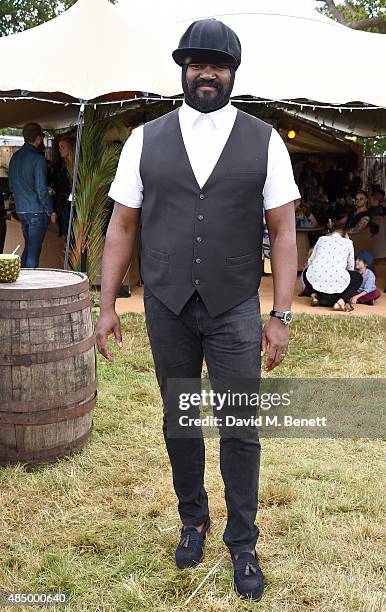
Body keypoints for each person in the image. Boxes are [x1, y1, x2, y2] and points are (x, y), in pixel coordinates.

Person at [95, 19, 300, 602]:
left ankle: (243, 541)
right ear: (182, 69)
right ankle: (193, 520)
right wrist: (106, 305)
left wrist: (280, 315)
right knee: (179, 419)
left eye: (218, 64)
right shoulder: (145, 139)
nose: (206, 72)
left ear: (233, 72)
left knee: (240, 427)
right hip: (167, 304)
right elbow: (122, 226)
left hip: (235, 305)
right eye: (196, 62)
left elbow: (283, 231)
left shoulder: (264, 140)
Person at [8, 123, 52, 268]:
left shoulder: (15, 157)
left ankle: (20, 282)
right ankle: (30, 288)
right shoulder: (38, 159)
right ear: (38, 138)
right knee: (33, 252)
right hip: (37, 211)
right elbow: (40, 189)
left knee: (28, 249)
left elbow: (12, 186)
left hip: (21, 210)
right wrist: (49, 209)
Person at [302, 224, 362, 310]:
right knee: (358, 277)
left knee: (306, 272)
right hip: (336, 289)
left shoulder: (321, 239)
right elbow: (350, 267)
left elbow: (310, 261)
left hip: (319, 287)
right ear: (344, 236)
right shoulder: (348, 243)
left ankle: (313, 295)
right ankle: (341, 301)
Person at [51, 134, 75, 238]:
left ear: (71, 147)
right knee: (66, 234)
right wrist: (54, 211)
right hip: (62, 206)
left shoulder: (81, 166)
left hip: (77, 207)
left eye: (62, 147)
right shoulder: (58, 167)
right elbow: (55, 188)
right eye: (59, 147)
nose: (60, 150)